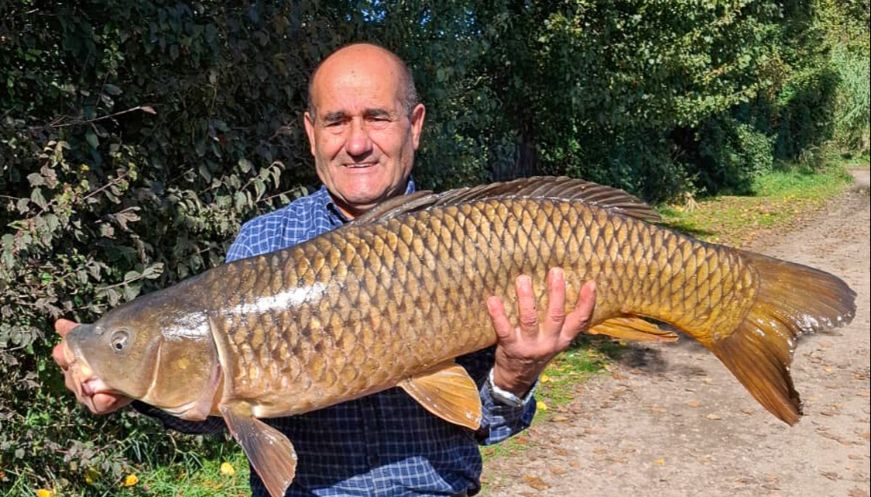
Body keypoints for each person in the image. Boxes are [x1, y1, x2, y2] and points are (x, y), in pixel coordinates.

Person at [53, 42, 597, 496]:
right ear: (311, 133)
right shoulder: (262, 243)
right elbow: (220, 408)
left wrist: (515, 374)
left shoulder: (477, 239)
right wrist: (125, 389)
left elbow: (486, 425)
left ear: (415, 124)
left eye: (376, 118)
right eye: (337, 121)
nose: (356, 143)